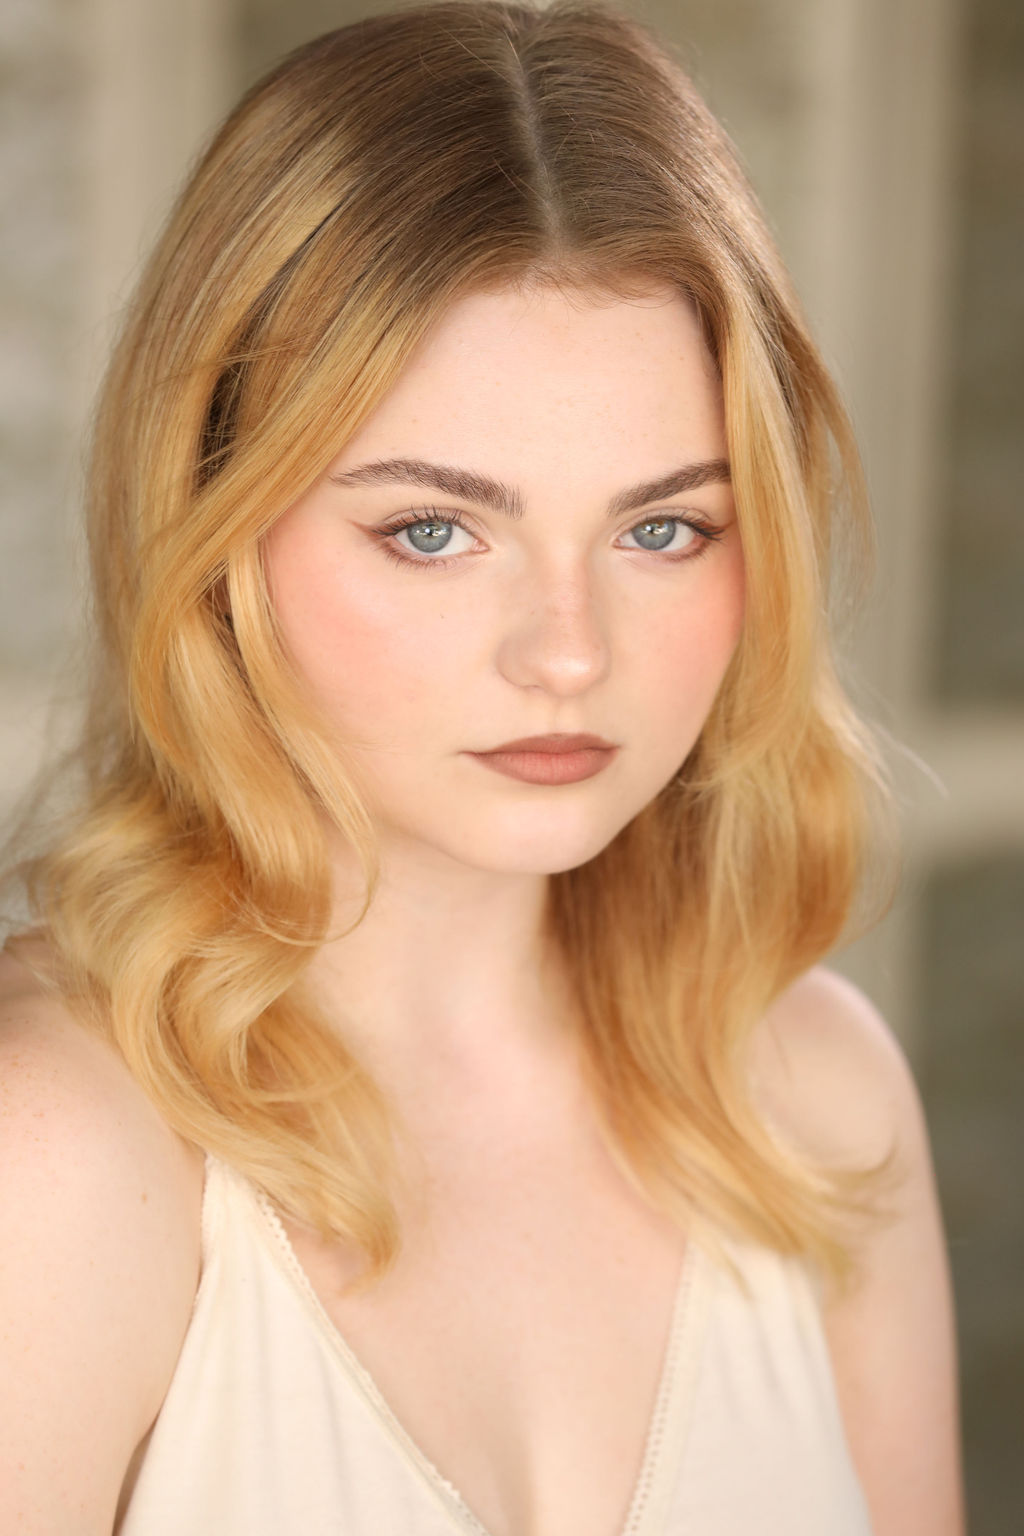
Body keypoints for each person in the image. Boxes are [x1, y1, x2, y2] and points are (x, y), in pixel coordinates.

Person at [0, 1, 965, 1532]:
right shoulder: (52, 1153)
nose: (567, 653)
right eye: (434, 531)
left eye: (664, 528)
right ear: (216, 529)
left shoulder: (820, 1107)